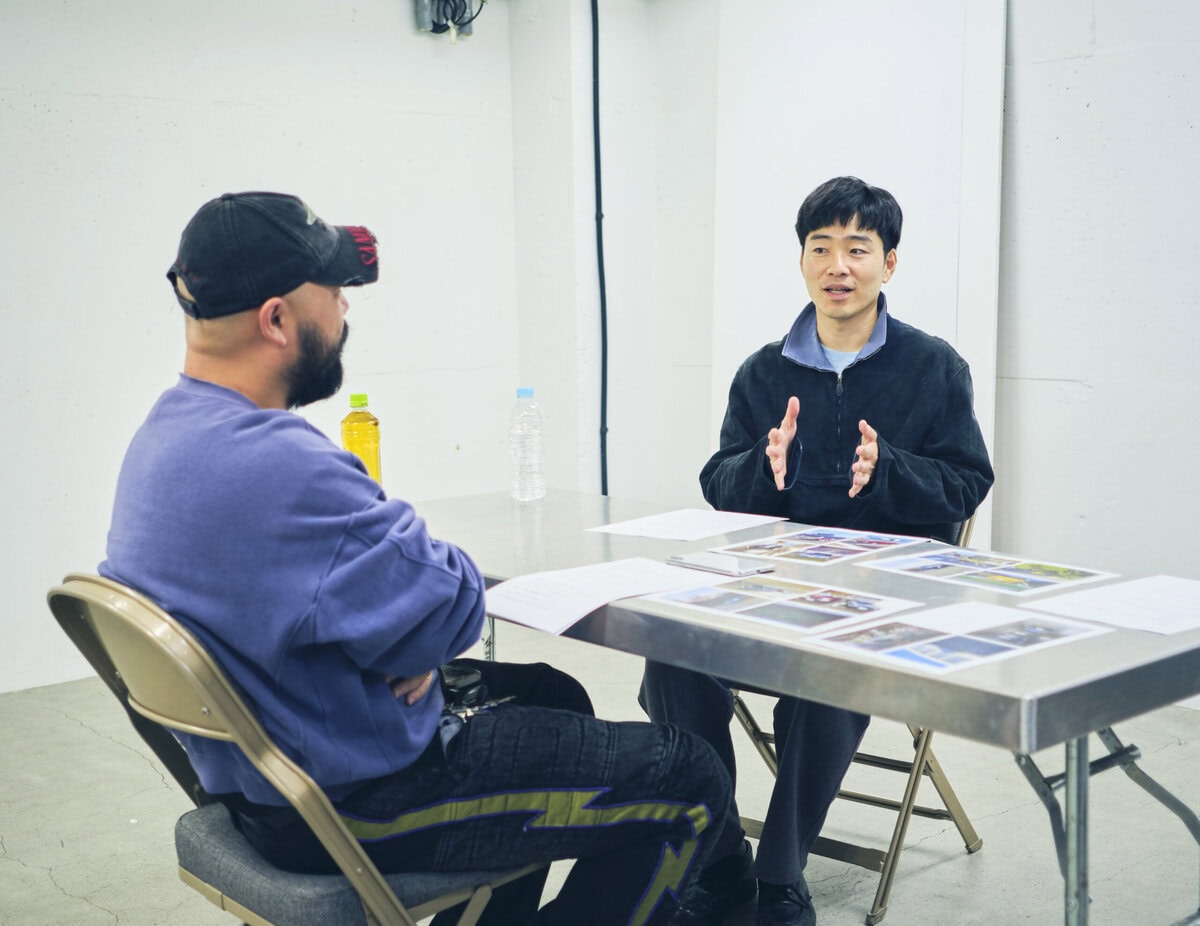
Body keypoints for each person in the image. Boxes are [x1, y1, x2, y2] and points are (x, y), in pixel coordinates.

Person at [100, 191, 732, 926]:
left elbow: (392, 611)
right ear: (276, 319)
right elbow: (454, 603)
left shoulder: (161, 438)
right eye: (334, 294)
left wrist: (405, 633)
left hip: (261, 775)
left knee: (553, 694)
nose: (344, 313)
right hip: (351, 803)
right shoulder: (284, 465)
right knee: (690, 775)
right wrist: (410, 621)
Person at [640, 176, 994, 926]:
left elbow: (967, 482)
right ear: (802, 260)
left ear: (889, 263)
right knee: (669, 654)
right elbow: (718, 481)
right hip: (769, 586)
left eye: (857, 249)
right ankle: (718, 852)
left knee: (830, 677)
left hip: (882, 596)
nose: (838, 265)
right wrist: (768, 471)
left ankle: (778, 873)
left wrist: (890, 470)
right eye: (821, 247)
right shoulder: (764, 372)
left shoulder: (934, 368)